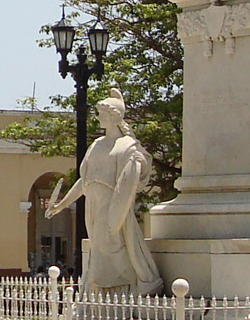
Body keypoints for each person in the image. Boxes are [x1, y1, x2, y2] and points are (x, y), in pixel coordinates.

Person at [43, 93, 163, 294]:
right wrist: (61, 205)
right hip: (94, 206)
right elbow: (85, 182)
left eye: (102, 114)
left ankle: (123, 289)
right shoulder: (96, 145)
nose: (99, 118)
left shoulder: (127, 146)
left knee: (116, 249)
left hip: (113, 205)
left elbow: (129, 178)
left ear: (114, 117)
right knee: (99, 251)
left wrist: (137, 163)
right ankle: (101, 293)